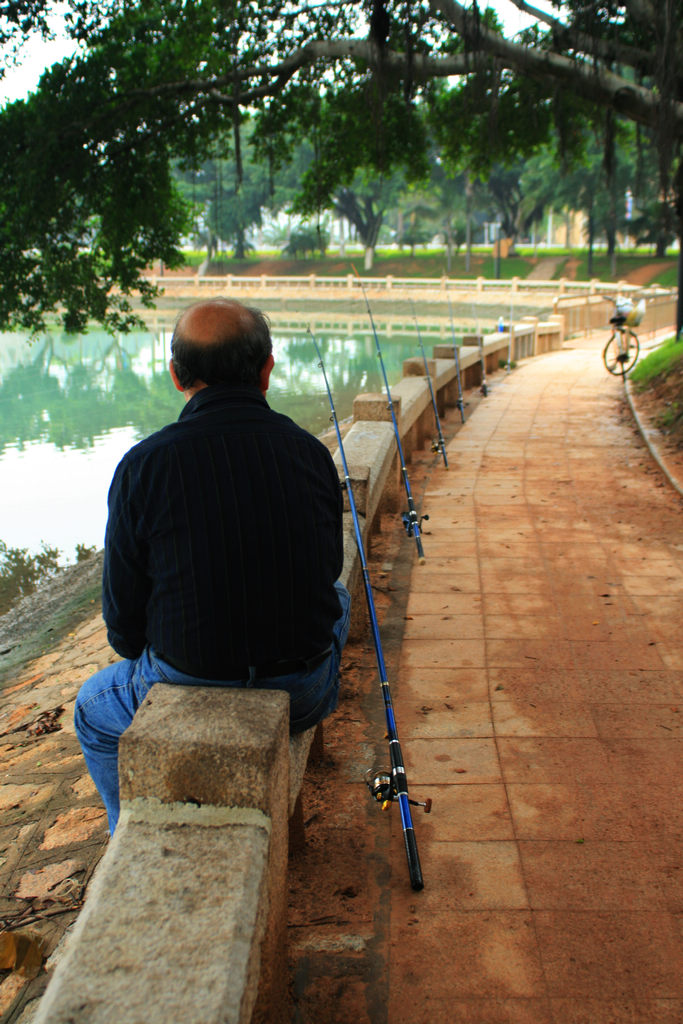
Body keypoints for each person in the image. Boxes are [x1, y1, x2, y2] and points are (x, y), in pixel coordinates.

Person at [74, 298, 351, 833]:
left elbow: (125, 631)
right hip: (302, 692)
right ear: (267, 369)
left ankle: (126, 833)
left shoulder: (143, 466)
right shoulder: (308, 453)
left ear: (177, 375)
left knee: (92, 706)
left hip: (183, 681)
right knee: (336, 600)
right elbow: (327, 569)